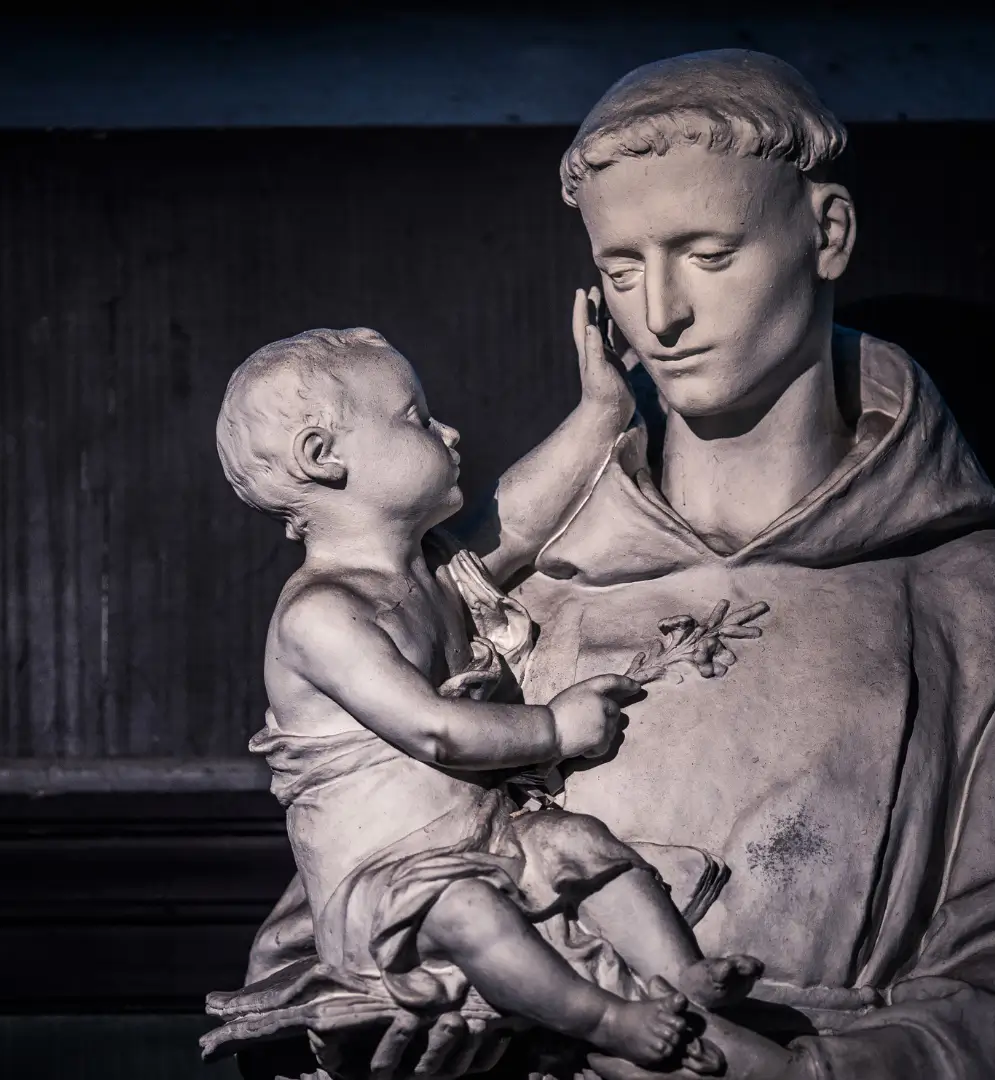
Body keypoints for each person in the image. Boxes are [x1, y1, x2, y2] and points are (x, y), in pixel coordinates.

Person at [497, 49, 995, 1078]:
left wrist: (818, 1074)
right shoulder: (538, 601)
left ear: (829, 233)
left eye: (708, 256)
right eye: (623, 270)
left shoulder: (982, 605)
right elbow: (363, 879)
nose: (662, 316)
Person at [206, 300, 760, 1076]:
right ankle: (614, 1021)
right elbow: (434, 730)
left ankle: (683, 976)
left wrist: (604, 407)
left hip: (482, 842)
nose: (450, 432)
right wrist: (557, 730)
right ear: (323, 455)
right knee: (475, 915)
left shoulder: (431, 574)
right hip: (390, 888)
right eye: (417, 420)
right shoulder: (320, 617)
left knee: (585, 846)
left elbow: (523, 518)